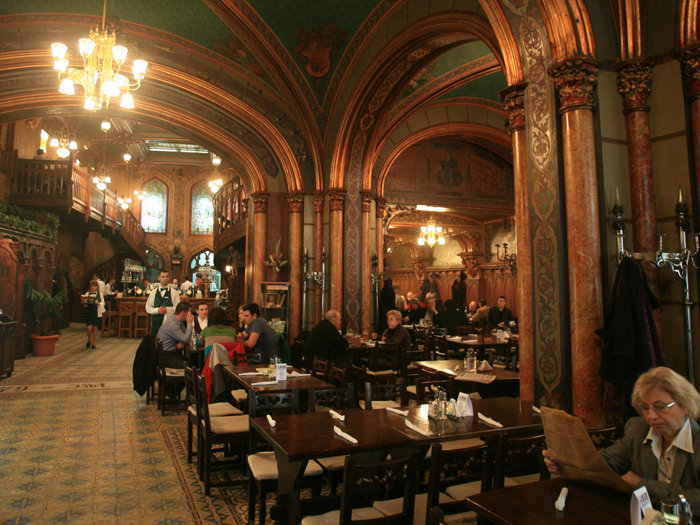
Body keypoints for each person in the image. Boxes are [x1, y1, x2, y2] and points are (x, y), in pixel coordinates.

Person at [543, 367, 700, 514]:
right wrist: (566, 462)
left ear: (685, 404)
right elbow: (605, 462)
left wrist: (643, 484)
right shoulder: (638, 430)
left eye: (660, 406)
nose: (651, 416)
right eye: (645, 408)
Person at [156, 301, 194, 399]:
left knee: (191, 363)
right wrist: (189, 324)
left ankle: (174, 391)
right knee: (190, 368)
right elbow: (186, 338)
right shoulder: (172, 324)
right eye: (189, 313)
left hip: (172, 353)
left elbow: (184, 337)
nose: (191, 315)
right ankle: (172, 391)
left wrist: (183, 340)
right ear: (183, 313)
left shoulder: (178, 322)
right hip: (166, 356)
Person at [145, 270, 181, 338]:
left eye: (167, 277)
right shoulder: (153, 292)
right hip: (156, 322)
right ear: (159, 278)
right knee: (156, 340)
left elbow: (178, 307)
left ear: (169, 278)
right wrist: (157, 310)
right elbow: (148, 308)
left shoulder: (174, 293)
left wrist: (167, 309)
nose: (165, 279)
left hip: (170, 322)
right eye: (163, 277)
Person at [82, 280, 104, 349]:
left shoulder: (100, 294)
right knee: (89, 328)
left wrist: (98, 303)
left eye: (95, 286)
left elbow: (103, 303)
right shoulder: (87, 293)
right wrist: (84, 301)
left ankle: (94, 343)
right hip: (89, 311)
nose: (93, 288)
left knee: (95, 327)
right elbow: (85, 305)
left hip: (96, 312)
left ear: (97, 287)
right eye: (92, 286)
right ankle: (89, 339)